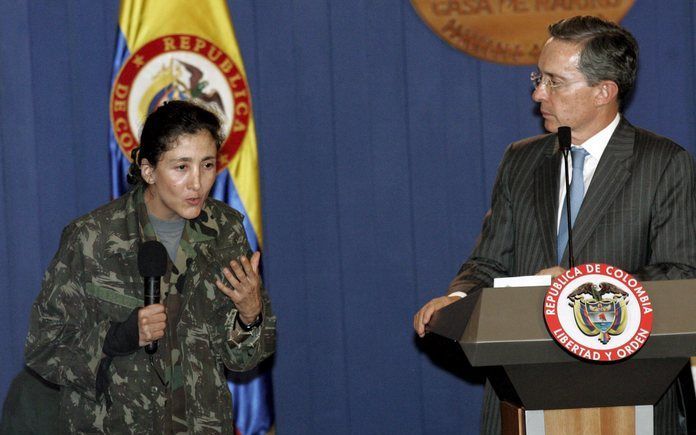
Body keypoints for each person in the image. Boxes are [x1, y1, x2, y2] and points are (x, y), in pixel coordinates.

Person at [413, 15, 696, 434]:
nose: (537, 93)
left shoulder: (662, 162)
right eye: (538, 77)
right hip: (521, 393)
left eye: (554, 81)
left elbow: (681, 275)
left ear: (604, 91)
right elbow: (489, 261)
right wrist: (457, 297)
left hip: (628, 392)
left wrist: (579, 288)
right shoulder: (521, 159)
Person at [25, 100, 275, 434]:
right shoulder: (92, 238)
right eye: (181, 167)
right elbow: (43, 347)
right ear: (148, 170)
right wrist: (116, 337)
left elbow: (241, 359)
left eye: (207, 165)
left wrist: (250, 314)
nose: (197, 183)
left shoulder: (225, 230)